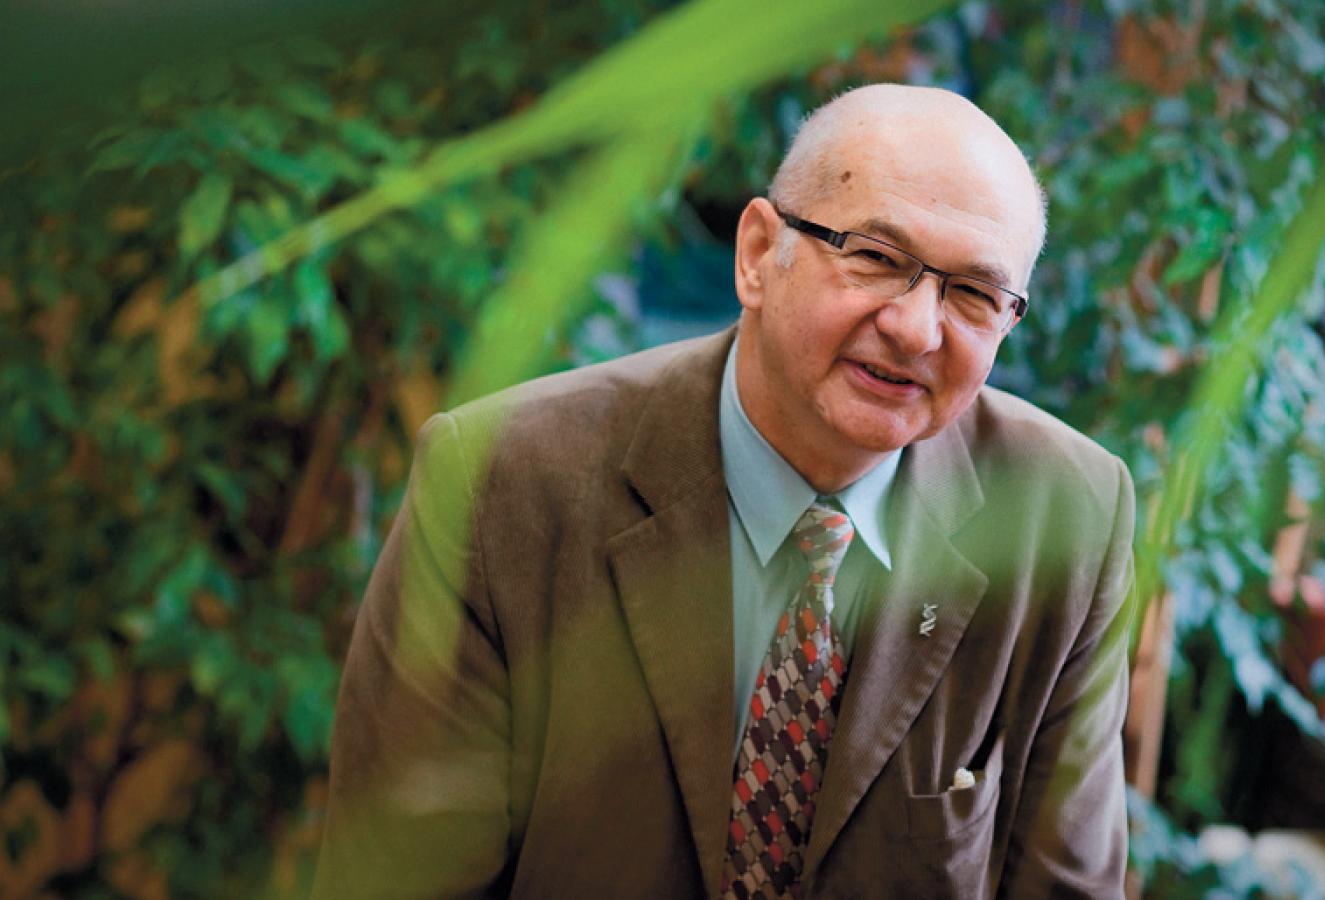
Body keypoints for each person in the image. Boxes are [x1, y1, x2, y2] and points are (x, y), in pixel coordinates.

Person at [313, 84, 1136, 899]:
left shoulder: (1066, 515)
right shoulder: (505, 483)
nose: (918, 329)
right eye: (876, 259)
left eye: (974, 295)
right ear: (757, 255)